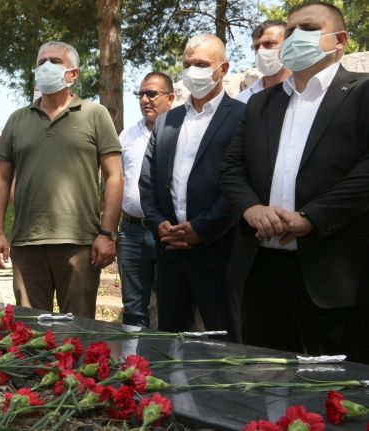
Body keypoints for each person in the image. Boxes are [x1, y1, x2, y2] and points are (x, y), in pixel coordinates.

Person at [219, 1, 369, 362]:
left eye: (309, 28)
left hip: (334, 277)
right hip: (262, 270)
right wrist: (252, 209)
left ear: (340, 40)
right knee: (263, 383)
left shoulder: (362, 93)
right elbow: (231, 169)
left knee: (334, 389)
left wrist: (312, 217)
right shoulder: (260, 104)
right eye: (290, 31)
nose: (295, 36)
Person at [0, 41, 123, 319]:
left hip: (80, 242)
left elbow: (114, 176)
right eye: (41, 62)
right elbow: (1, 179)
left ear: (73, 74)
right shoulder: (17, 119)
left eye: (54, 61)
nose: (46, 67)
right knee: (29, 330)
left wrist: (107, 233)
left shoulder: (95, 114)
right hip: (26, 243)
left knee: (78, 330)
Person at [139, 34, 244, 335]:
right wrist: (159, 223)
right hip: (170, 250)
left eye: (201, 64)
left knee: (224, 340)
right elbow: (148, 181)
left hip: (218, 250)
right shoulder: (167, 121)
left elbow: (241, 182)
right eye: (187, 64)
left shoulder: (242, 116)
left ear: (223, 69)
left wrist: (202, 229)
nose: (192, 71)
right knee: (170, 339)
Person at [117, 71, 175, 327]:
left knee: (171, 304)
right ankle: (135, 353)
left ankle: (165, 354)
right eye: (140, 94)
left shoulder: (180, 131)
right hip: (131, 232)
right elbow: (117, 181)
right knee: (133, 308)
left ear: (170, 97)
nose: (144, 100)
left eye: (151, 94)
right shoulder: (127, 136)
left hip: (168, 231)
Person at [235, 20, 292, 103]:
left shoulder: (305, 93)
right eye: (256, 47)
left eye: (269, 43)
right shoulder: (242, 100)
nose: (260, 50)